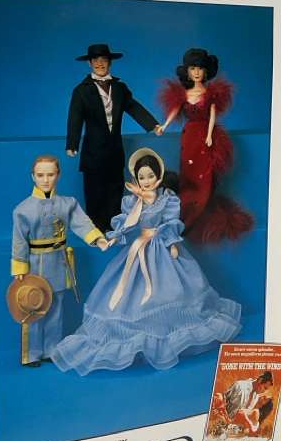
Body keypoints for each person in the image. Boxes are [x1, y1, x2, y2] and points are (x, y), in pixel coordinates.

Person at [52, 148, 241, 375]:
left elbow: (170, 222)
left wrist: (172, 244)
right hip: (138, 249)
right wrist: (114, 237)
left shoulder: (167, 198)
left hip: (161, 248)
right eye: (142, 177)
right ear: (136, 178)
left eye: (151, 176)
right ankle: (135, 337)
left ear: (158, 175)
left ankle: (168, 334)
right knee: (128, 292)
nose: (147, 181)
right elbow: (126, 223)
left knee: (170, 291)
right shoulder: (131, 201)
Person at [11, 155, 109, 366]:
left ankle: (51, 349)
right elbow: (19, 241)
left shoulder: (68, 204)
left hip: (59, 262)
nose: (45, 180)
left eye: (50, 174)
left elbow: (82, 223)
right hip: (35, 265)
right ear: (33, 176)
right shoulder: (23, 210)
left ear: (58, 175)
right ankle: (32, 353)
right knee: (33, 307)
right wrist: (20, 267)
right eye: (40, 175)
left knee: (56, 307)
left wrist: (97, 238)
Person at [159, 48, 253, 243]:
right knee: (188, 176)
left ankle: (197, 212)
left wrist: (210, 135)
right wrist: (164, 126)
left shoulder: (209, 94)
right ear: (187, 71)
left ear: (206, 71)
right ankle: (185, 215)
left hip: (203, 137)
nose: (196, 72)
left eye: (200, 69)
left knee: (204, 177)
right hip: (189, 137)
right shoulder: (184, 94)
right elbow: (175, 110)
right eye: (193, 68)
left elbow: (212, 116)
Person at [66, 43, 163, 233]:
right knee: (94, 192)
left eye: (104, 60)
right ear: (89, 63)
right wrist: (72, 144)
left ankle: (115, 228)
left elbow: (134, 107)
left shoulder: (119, 88)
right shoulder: (81, 91)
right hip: (93, 152)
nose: (100, 64)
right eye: (95, 60)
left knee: (115, 189)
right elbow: (75, 117)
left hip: (115, 151)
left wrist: (153, 125)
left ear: (110, 63)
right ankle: (96, 231)